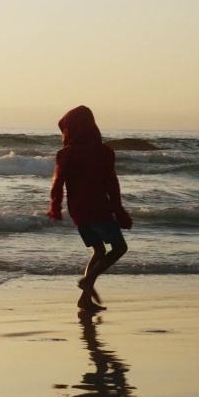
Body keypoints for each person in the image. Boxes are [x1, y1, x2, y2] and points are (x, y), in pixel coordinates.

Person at [47, 105, 132, 311]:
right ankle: (88, 281)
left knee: (99, 250)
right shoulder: (104, 152)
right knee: (120, 248)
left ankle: (85, 300)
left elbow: (57, 183)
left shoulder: (65, 153)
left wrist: (56, 206)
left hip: (78, 209)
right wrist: (118, 210)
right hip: (98, 207)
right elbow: (112, 183)